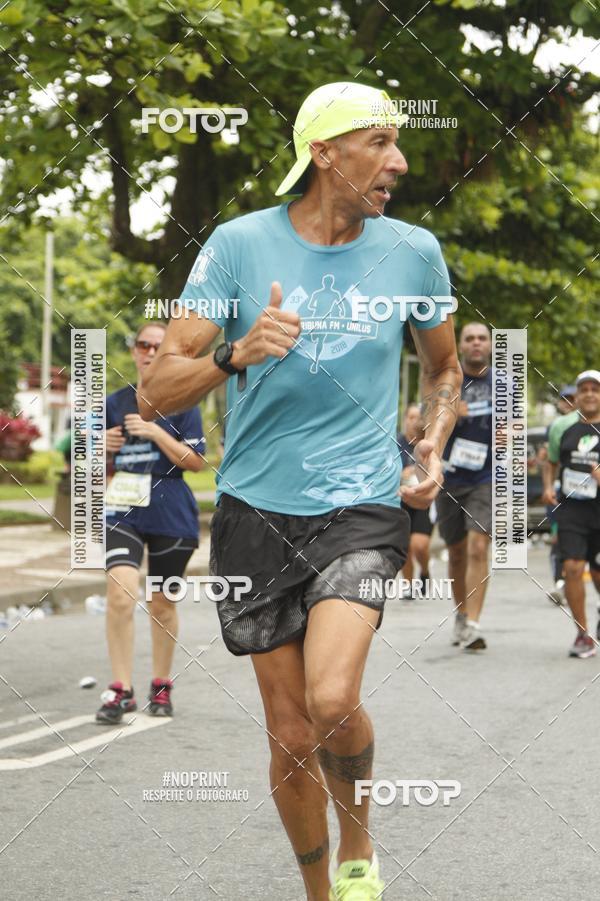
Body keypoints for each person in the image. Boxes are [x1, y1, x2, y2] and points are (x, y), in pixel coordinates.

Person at [139, 81, 462, 900]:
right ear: (325, 154)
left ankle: (360, 844)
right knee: (288, 734)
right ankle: (323, 893)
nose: (399, 160)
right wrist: (233, 355)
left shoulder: (413, 251)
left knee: (331, 695)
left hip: (360, 505)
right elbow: (158, 389)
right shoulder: (239, 246)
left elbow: (444, 371)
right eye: (379, 143)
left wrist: (432, 436)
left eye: (398, 141)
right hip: (255, 509)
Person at [96, 322, 206, 724]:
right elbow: (82, 466)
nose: (148, 351)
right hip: (122, 509)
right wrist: (99, 448)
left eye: (158, 346)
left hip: (171, 513)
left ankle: (161, 684)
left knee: (161, 603)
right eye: (142, 344)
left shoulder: (185, 404)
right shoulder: (113, 402)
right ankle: (120, 689)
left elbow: (197, 462)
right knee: (121, 594)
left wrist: (157, 434)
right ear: (135, 352)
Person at [436, 322, 492, 652]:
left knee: (477, 547)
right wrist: (448, 413)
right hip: (450, 477)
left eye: (481, 338)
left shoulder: (505, 384)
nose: (475, 343)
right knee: (456, 552)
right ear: (460, 345)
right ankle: (461, 614)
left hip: (486, 478)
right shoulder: (448, 378)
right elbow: (422, 423)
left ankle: (473, 623)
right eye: (469, 338)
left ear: (489, 345)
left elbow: (514, 428)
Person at [542, 370, 600, 658]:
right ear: (576, 397)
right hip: (571, 510)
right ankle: (583, 634)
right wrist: (547, 487)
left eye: (595, 389)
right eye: (584, 389)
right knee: (574, 568)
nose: (589, 394)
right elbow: (550, 461)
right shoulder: (563, 429)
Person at [543, 384, 578, 605]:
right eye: (564, 399)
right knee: (558, 538)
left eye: (571, 399)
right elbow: (548, 458)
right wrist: (547, 485)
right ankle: (559, 584)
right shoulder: (556, 427)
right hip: (559, 493)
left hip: (587, 496)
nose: (567, 403)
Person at [397, 403, 435, 598]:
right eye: (409, 417)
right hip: (401, 499)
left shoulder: (429, 443)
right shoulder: (396, 442)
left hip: (423, 500)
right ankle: (409, 586)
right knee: (404, 546)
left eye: (417, 417)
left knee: (419, 545)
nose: (413, 421)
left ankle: (425, 571)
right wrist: (400, 474)